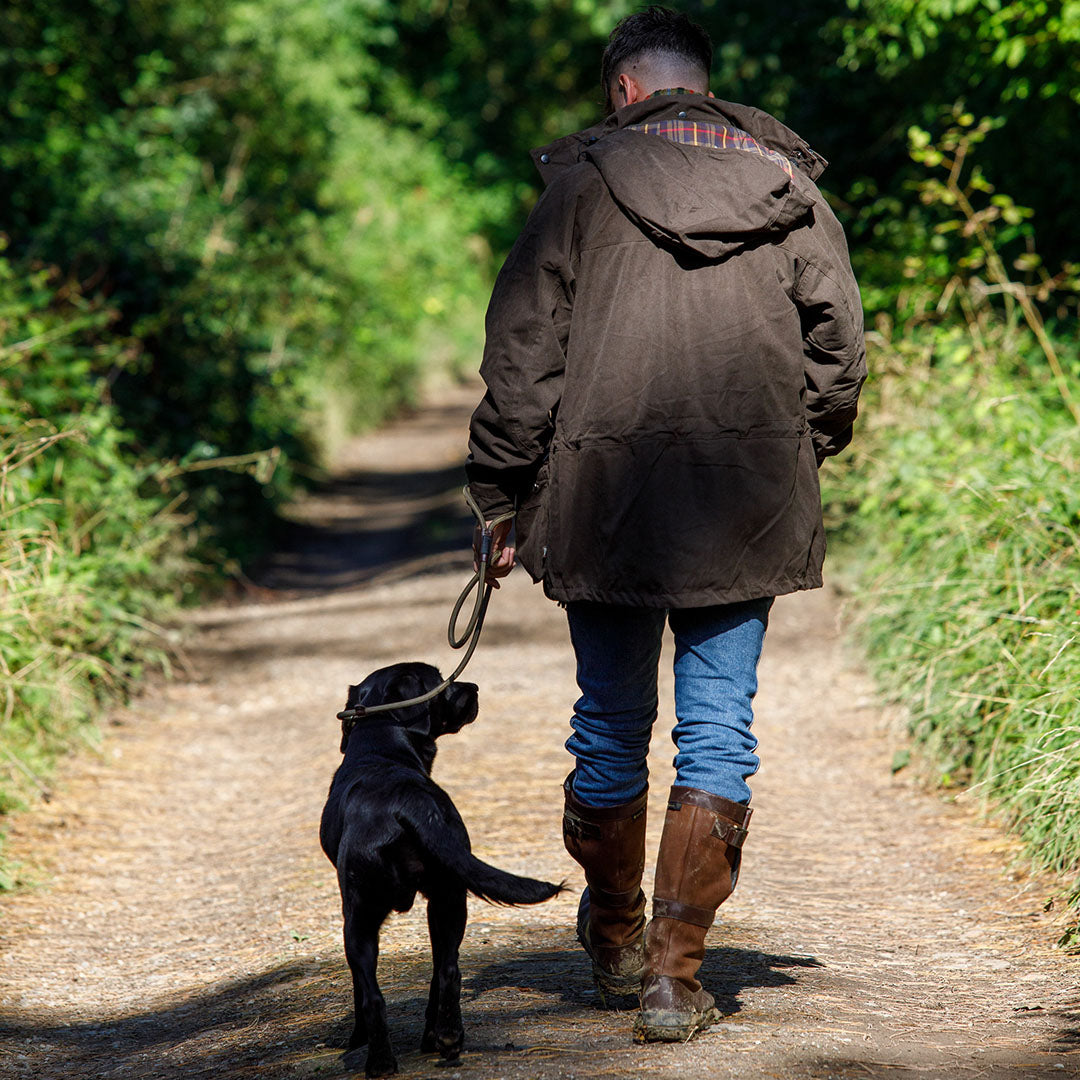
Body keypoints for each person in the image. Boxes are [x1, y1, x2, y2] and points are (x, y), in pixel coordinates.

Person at [465, 5, 866, 1044]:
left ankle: (615, 936)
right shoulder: (791, 190)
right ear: (702, 85)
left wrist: (503, 496)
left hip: (603, 501)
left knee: (608, 722)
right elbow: (841, 351)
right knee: (720, 730)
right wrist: (796, 447)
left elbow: (523, 356)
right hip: (746, 494)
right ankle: (674, 980)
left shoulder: (582, 191)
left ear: (625, 92)